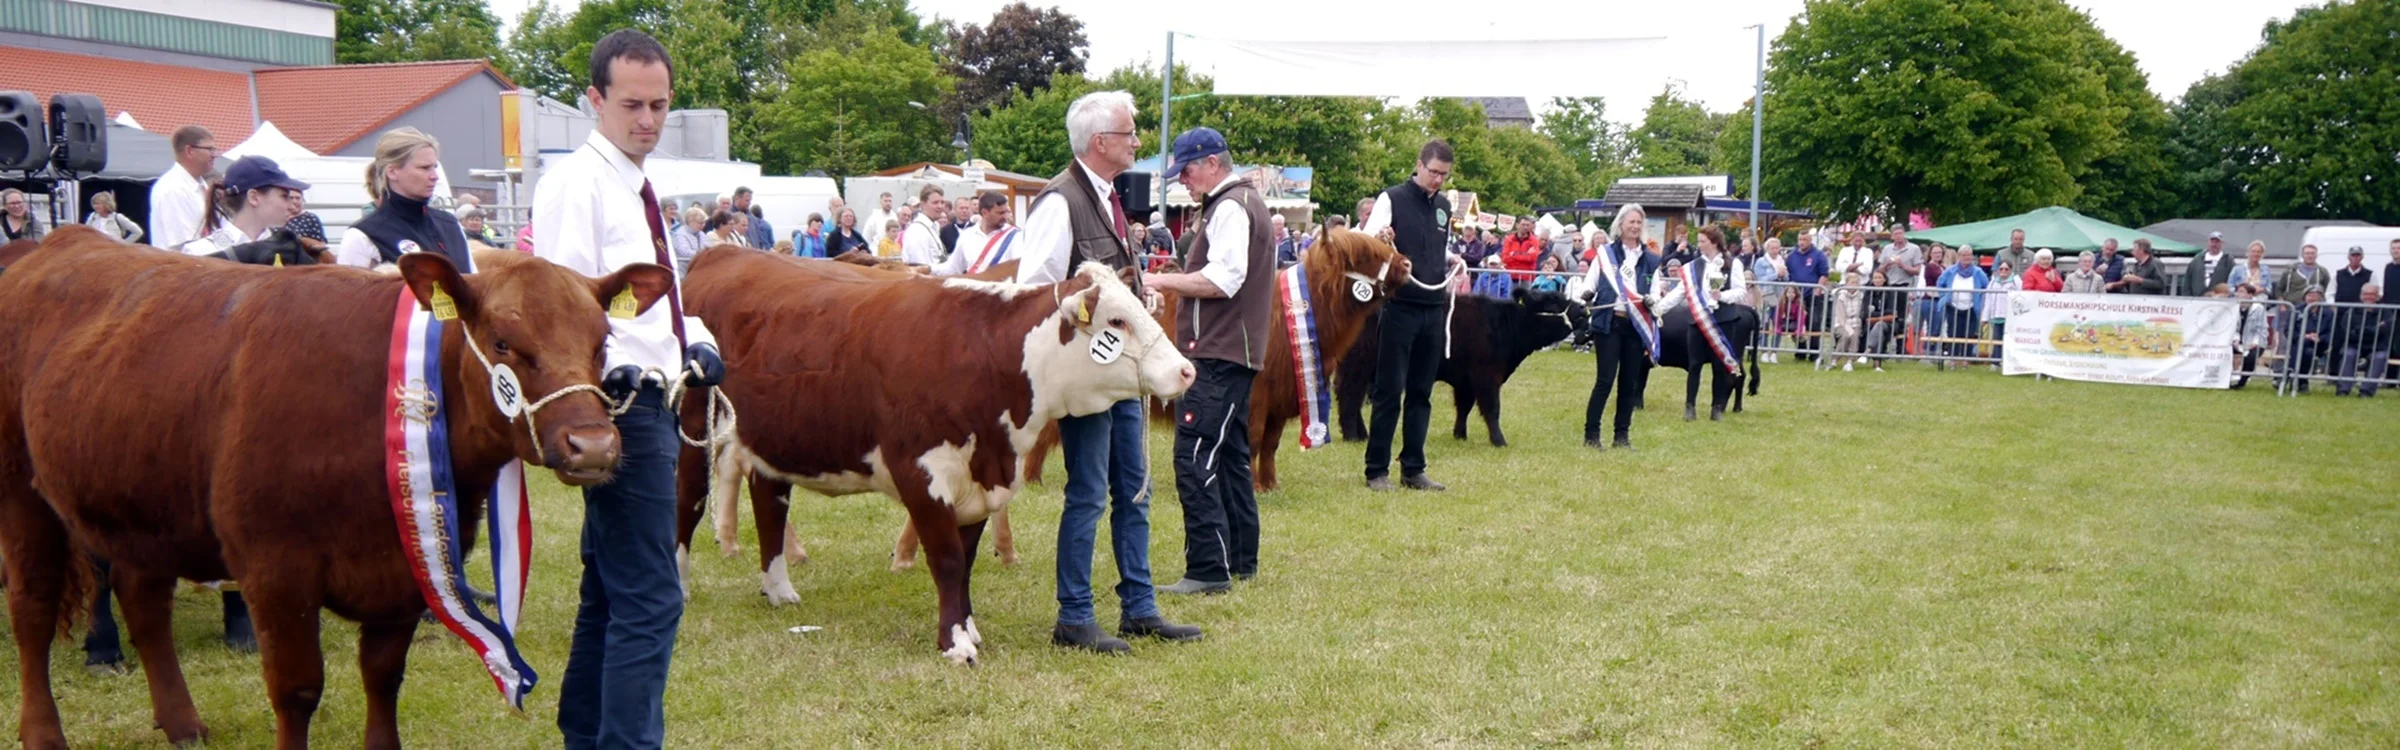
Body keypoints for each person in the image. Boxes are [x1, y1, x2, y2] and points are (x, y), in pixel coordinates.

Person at [532, 30, 724, 749]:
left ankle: (588, 733)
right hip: (619, 405)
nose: (647, 120)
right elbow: (559, 310)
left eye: (660, 105)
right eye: (632, 105)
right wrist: (613, 369)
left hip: (651, 393)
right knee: (650, 597)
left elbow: (639, 299)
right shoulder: (576, 184)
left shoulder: (633, 183)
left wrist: (693, 336)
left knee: (611, 591)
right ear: (595, 100)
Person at [1013, 90, 1200, 653]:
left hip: (1123, 371)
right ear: (1101, 142)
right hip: (1089, 378)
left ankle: (1139, 608)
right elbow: (1033, 294)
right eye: (1130, 132)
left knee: (1135, 491)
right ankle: (1074, 617)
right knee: (1091, 493)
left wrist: (1140, 304)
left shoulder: (1105, 197)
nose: (1138, 141)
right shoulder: (1060, 202)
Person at [1136, 127, 1274, 596]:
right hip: (1235, 351)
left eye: (1189, 171)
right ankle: (1241, 560)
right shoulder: (1241, 203)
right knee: (1231, 456)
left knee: (1194, 456)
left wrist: (1163, 283)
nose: (1185, 181)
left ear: (1213, 163)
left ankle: (1208, 569)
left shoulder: (1230, 207)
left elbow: (1224, 279)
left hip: (1217, 353)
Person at [1359, 140, 1464, 491]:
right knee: (1390, 389)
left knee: (1421, 390)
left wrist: (1450, 260)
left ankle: (1413, 468)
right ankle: (1377, 470)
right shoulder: (1392, 198)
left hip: (1434, 307)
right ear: (1418, 165)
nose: (1437, 180)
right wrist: (1381, 235)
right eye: (1433, 172)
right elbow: (1366, 241)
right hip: (1400, 306)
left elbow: (1437, 244)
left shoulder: (1444, 207)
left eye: (1443, 175)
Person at [336, 128, 474, 270]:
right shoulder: (363, 235)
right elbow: (349, 291)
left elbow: (473, 284)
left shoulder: (450, 224)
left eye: (435, 167)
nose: (435, 176)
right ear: (392, 172)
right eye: (424, 168)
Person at [1580, 203, 1660, 449]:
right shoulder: (1605, 254)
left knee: (1629, 382)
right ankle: (1592, 435)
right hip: (1609, 323)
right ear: (1621, 225)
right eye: (1631, 222)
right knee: (1605, 380)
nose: (1635, 227)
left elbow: (1655, 290)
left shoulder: (1651, 259)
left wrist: (1652, 300)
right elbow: (1589, 283)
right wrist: (1586, 296)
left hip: (1635, 325)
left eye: (1639, 223)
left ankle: (1621, 436)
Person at [1648, 225, 1747, 421]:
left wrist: (1722, 295)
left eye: (1702, 241)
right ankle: (1690, 406)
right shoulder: (1691, 267)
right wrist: (1657, 309)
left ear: (1714, 242)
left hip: (1724, 320)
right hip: (1697, 322)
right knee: (1694, 365)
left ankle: (1716, 407)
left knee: (1720, 366)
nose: (1699, 245)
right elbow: (1679, 293)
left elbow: (1740, 291)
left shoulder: (1733, 264)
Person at [179, 156, 306, 256]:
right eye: (284, 196)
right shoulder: (202, 252)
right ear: (254, 197)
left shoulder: (287, 249)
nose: (291, 206)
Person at [150, 125, 216, 250]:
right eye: (210, 149)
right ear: (189, 151)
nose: (215, 155)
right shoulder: (173, 189)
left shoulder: (199, 185)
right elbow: (186, 248)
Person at [932, 191, 1018, 276]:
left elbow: (1020, 270)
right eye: (1000, 213)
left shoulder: (1015, 236)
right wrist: (929, 269)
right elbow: (953, 268)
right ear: (985, 213)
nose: (1005, 217)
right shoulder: (968, 235)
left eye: (1006, 212)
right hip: (974, 289)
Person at [1935, 249, 1990, 361]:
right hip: (1953, 307)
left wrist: (1981, 299)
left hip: (1971, 308)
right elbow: (1940, 284)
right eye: (1964, 255)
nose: (1966, 257)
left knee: (1969, 334)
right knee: (1953, 333)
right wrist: (1944, 297)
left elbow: (1987, 286)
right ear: (1959, 256)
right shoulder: (1950, 271)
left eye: (1969, 255)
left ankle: (1966, 360)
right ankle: (1953, 359)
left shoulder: (1978, 272)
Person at [1785, 232, 1829, 360]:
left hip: (1813, 295)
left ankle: (1814, 353)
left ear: (1810, 240)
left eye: (1804, 239)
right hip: (1796, 296)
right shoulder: (1792, 255)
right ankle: (1801, 351)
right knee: (1798, 323)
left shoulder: (1818, 255)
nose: (1801, 242)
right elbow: (1788, 273)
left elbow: (1824, 274)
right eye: (1800, 239)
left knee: (1814, 323)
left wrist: (1818, 289)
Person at [2288, 287, 2334, 393]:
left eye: (2315, 295)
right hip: (2299, 343)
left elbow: (2331, 332)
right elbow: (2288, 330)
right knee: (2307, 350)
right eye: (2309, 295)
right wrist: (2304, 336)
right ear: (2304, 297)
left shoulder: (2328, 313)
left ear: (2321, 298)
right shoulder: (2296, 310)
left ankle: (2290, 376)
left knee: (2306, 349)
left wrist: (2319, 338)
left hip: (2320, 345)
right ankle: (2302, 382)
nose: (2311, 298)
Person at [2232, 283, 2275, 389]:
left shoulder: (2259, 308)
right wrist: (2235, 339)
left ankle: (2241, 382)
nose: (2238, 294)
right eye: (2237, 291)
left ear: (2250, 295)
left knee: (2251, 357)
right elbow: (2233, 327)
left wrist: (2255, 342)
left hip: (2255, 341)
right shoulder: (2233, 306)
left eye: (2241, 291)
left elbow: (2262, 329)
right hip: (2237, 340)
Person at [1752, 237, 1786, 362]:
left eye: (1777, 248)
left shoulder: (1782, 261)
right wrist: (1775, 275)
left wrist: (1784, 275)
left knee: (1778, 324)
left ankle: (1774, 351)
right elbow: (1759, 279)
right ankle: (1764, 350)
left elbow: (1787, 278)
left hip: (1779, 296)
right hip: (1765, 295)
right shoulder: (1761, 262)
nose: (1775, 250)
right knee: (1764, 323)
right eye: (1772, 248)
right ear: (1767, 248)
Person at [900, 185, 948, 267]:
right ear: (923, 204)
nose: (940, 206)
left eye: (942, 202)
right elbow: (921, 268)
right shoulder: (917, 231)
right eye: (935, 202)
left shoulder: (934, 226)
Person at [1829, 273, 1867, 371]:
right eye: (1851, 282)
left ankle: (1850, 362)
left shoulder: (1862, 296)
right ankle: (1834, 360)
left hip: (1856, 322)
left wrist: (1853, 328)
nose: (1853, 284)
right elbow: (1840, 315)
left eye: (1856, 282)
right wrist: (1848, 329)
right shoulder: (1840, 296)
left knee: (1855, 336)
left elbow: (1862, 312)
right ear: (1846, 283)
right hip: (1841, 322)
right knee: (1845, 335)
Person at [1985, 260, 2019, 366]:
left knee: (2009, 340)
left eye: (2006, 269)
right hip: (1996, 315)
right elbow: (1988, 299)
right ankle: (1995, 362)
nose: (2003, 271)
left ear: (2010, 270)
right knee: (1996, 339)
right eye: (2001, 269)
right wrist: (1985, 317)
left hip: (2009, 317)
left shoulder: (2016, 281)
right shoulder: (1993, 282)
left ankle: (2008, 363)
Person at [2183, 232, 2236, 296]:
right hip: (2197, 299)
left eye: (2217, 242)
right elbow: (2187, 281)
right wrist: (2187, 297)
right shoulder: (2197, 259)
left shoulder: (2228, 260)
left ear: (2221, 243)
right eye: (2212, 241)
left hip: (2218, 301)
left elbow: (2233, 282)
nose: (2214, 244)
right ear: (2208, 242)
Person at [671, 205, 708, 271]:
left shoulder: (701, 233)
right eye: (700, 223)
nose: (703, 225)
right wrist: (702, 254)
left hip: (698, 268)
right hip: (683, 270)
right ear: (690, 221)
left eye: (704, 223)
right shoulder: (680, 234)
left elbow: (708, 246)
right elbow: (684, 252)